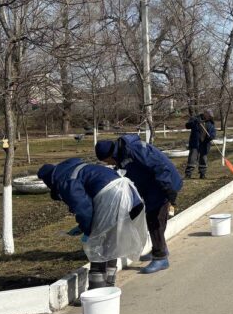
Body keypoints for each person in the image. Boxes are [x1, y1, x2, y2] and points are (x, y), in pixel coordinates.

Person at [37, 159, 146, 290]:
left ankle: (97, 290)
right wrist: (82, 225)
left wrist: (87, 230)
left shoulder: (66, 180)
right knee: (112, 241)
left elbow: (83, 209)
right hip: (131, 195)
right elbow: (89, 201)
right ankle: (109, 286)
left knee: (97, 244)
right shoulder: (78, 169)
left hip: (114, 197)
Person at [95, 135, 183, 274]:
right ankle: (158, 249)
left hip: (162, 184)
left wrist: (168, 188)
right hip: (151, 187)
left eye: (107, 161)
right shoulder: (121, 155)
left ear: (109, 155)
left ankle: (161, 258)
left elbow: (159, 166)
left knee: (155, 221)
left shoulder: (133, 150)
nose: (108, 164)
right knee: (153, 219)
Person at [185, 109, 217, 180]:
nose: (210, 117)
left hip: (205, 143)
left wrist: (211, 136)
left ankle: (202, 174)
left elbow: (213, 133)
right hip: (195, 143)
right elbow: (187, 126)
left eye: (211, 116)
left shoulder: (210, 123)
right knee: (192, 159)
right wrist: (194, 122)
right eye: (209, 116)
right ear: (205, 114)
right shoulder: (196, 119)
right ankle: (188, 174)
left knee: (203, 159)